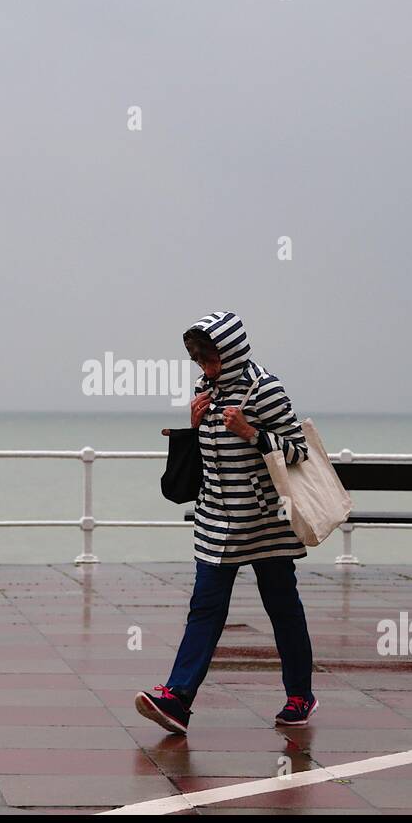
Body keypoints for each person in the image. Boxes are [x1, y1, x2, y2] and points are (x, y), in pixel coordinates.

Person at [135, 311, 317, 734]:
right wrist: (195, 424)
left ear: (231, 351)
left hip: (266, 522)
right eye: (199, 360)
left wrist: (252, 432)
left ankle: (299, 695)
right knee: (205, 608)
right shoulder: (204, 389)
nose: (205, 369)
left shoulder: (266, 388)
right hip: (217, 519)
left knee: (282, 608)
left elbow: (298, 452)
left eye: (210, 359)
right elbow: (210, 454)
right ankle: (178, 699)